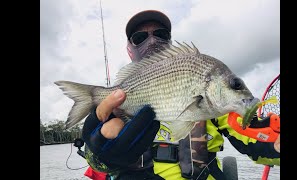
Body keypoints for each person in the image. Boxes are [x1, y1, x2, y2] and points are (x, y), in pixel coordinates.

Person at [81, 10, 280, 180]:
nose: (152, 41)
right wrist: (99, 152)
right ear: (130, 50)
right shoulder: (115, 105)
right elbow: (97, 166)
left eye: (161, 34)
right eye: (140, 38)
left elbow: (258, 144)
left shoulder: (220, 104)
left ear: (169, 40)